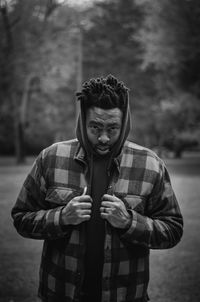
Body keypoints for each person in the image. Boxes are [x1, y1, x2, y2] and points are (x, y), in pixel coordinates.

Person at [11, 75, 183, 302]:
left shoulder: (150, 164)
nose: (103, 137)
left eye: (112, 128)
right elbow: (21, 218)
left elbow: (173, 229)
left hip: (125, 296)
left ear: (125, 124)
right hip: (60, 293)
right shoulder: (51, 157)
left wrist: (129, 222)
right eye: (95, 127)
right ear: (82, 122)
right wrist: (61, 217)